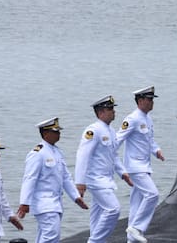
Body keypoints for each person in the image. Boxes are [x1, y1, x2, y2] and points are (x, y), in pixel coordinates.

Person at [17, 118, 88, 243]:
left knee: (45, 236)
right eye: (55, 131)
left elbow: (65, 177)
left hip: (55, 203)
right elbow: (29, 178)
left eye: (58, 131)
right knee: (51, 236)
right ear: (45, 133)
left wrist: (76, 197)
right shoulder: (37, 153)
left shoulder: (57, 152)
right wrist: (24, 203)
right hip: (43, 203)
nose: (59, 134)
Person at [75, 96, 134, 243]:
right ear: (100, 112)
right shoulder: (93, 131)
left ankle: (97, 239)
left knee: (98, 213)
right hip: (95, 180)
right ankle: (95, 241)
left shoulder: (111, 131)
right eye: (110, 109)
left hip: (106, 180)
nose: (114, 112)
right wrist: (79, 182)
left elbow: (113, 156)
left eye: (113, 109)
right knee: (113, 209)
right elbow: (82, 156)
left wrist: (123, 173)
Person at [117, 86, 165, 243]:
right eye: (149, 99)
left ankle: (132, 239)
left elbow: (149, 140)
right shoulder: (132, 119)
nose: (152, 103)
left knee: (136, 203)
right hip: (134, 167)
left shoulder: (147, 119)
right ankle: (137, 227)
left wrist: (156, 150)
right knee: (153, 194)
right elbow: (118, 139)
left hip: (145, 166)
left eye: (152, 99)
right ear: (140, 101)